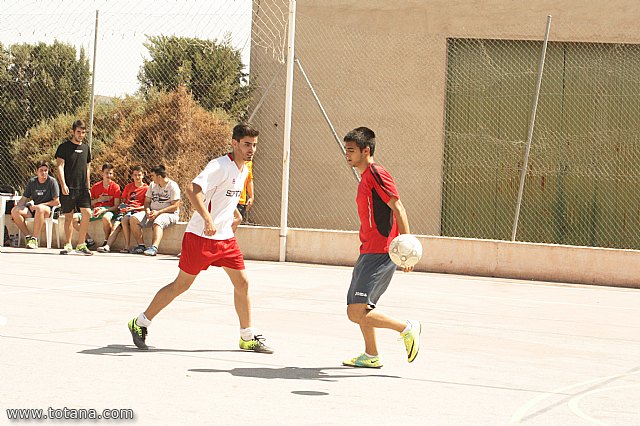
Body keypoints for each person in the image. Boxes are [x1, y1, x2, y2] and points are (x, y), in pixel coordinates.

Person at [128, 122, 272, 354]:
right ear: (234, 143)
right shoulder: (219, 166)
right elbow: (192, 189)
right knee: (181, 285)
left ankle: (247, 336)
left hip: (225, 238)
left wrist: (233, 214)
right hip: (200, 237)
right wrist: (207, 219)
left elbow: (226, 197)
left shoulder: (244, 169)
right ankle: (141, 322)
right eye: (246, 145)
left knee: (242, 283)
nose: (251, 149)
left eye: (254, 145)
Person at [341, 127, 421, 368]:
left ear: (366, 151)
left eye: (352, 150)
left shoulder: (377, 173)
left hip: (380, 251)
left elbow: (399, 208)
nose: (347, 155)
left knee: (355, 311)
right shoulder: (366, 176)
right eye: (346, 150)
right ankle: (371, 355)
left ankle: (406, 328)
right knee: (363, 307)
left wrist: (407, 247)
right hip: (368, 250)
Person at [55, 119, 93, 255]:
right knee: (69, 216)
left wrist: (88, 186)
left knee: (87, 213)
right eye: (78, 132)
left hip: (82, 188)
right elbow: (59, 166)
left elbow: (87, 168)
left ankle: (81, 244)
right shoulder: (63, 147)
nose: (81, 135)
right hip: (68, 187)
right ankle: (68, 244)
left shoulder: (86, 148)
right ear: (73, 132)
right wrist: (63, 184)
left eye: (83, 132)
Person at [128, 165, 181, 256]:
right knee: (133, 218)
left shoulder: (173, 186)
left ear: (159, 176)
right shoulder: (152, 185)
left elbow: (175, 206)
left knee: (158, 221)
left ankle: (154, 247)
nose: (151, 178)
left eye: (152, 176)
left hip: (169, 214)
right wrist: (148, 211)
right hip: (153, 212)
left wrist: (159, 212)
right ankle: (141, 246)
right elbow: (147, 202)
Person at [98, 165, 148, 253]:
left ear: (143, 175)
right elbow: (123, 202)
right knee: (116, 226)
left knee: (124, 220)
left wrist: (134, 208)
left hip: (137, 211)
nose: (137, 177)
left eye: (139, 175)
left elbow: (147, 206)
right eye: (135, 175)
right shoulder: (128, 187)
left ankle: (127, 246)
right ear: (132, 176)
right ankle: (107, 246)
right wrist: (123, 208)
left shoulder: (146, 188)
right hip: (126, 211)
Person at [10, 160, 60, 249]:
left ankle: (34, 239)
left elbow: (56, 202)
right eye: (41, 170)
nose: (44, 173)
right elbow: (24, 199)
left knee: (40, 208)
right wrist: (16, 208)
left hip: (49, 210)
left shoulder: (52, 182)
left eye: (46, 170)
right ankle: (28, 237)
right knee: (15, 211)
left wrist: (40, 205)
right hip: (35, 209)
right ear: (36, 171)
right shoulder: (32, 182)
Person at [72, 163, 121, 249]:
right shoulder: (96, 187)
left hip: (109, 211)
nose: (108, 175)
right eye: (107, 173)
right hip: (96, 210)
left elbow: (116, 206)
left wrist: (104, 210)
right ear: (102, 174)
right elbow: (88, 203)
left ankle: (106, 241)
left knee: (106, 218)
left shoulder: (115, 187)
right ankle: (89, 240)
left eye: (111, 173)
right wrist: (98, 200)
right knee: (74, 217)